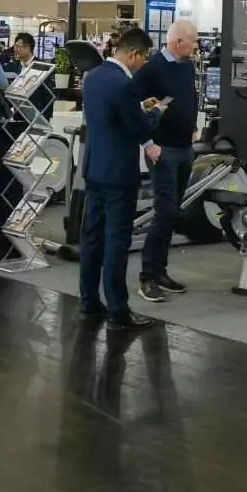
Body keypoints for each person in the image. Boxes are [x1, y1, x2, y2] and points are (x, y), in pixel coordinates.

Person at [78, 28, 166, 331]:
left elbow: (112, 115)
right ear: (133, 55)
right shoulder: (124, 84)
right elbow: (136, 127)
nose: (143, 64)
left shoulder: (94, 77)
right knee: (117, 240)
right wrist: (156, 113)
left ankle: (89, 300)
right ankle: (118, 309)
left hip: (95, 168)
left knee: (92, 237)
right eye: (144, 58)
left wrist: (139, 107)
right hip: (118, 174)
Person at [132, 20, 200, 302]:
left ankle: (160, 271)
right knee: (165, 212)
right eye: (193, 41)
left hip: (185, 148)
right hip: (163, 150)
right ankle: (148, 277)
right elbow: (132, 108)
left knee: (173, 213)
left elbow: (187, 99)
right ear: (177, 42)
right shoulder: (152, 69)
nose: (196, 45)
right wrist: (148, 143)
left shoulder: (186, 66)